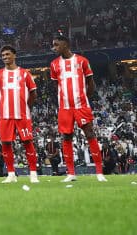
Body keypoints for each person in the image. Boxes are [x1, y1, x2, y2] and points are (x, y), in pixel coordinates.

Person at [50, 34, 106, 182]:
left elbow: (91, 83)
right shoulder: (54, 64)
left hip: (81, 105)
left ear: (65, 44)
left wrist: (84, 97)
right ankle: (71, 173)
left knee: (90, 134)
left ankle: (99, 172)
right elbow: (57, 86)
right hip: (65, 107)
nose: (53, 48)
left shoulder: (82, 61)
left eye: (56, 45)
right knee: (66, 137)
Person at [0, 45, 40, 184]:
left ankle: (33, 174)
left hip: (22, 115)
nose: (5, 57)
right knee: (6, 144)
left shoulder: (25, 73)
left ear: (14, 55)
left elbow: (33, 94)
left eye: (7, 54)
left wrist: (26, 107)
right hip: (5, 115)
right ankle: (11, 174)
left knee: (27, 142)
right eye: (3, 55)